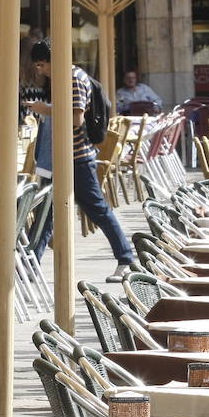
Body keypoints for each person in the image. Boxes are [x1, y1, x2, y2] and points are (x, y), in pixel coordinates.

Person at [26, 38, 135, 283]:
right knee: (46, 212)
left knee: (97, 210)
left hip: (75, 157)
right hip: (66, 157)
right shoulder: (71, 77)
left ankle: (126, 259)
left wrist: (45, 110)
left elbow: (76, 118)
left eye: (41, 65)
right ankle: (29, 264)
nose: (39, 70)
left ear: (51, 61)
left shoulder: (73, 79)